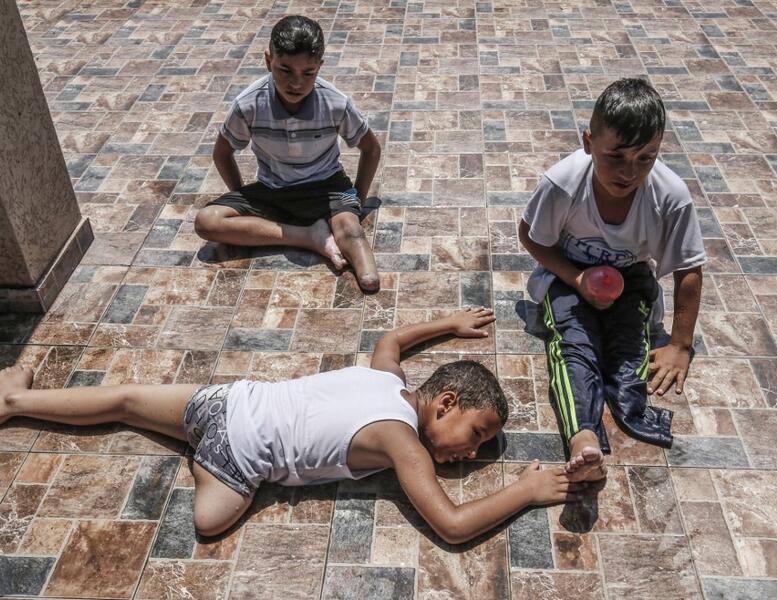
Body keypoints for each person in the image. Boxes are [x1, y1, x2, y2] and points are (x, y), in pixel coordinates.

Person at [0, 308, 587, 543]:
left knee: (127, 400)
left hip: (228, 398)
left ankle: (16, 402)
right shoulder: (401, 440)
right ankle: (204, 462)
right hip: (236, 455)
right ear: (445, 403)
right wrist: (525, 491)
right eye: (478, 435)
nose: (471, 455)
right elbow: (453, 526)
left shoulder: (387, 378)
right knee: (209, 523)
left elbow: (390, 341)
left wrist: (446, 324)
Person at [517, 78, 706, 482]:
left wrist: (679, 345)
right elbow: (530, 236)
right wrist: (576, 277)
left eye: (645, 157)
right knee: (574, 343)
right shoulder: (563, 184)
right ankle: (582, 434)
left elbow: (689, 268)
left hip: (632, 278)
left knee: (625, 349)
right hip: (566, 274)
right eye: (615, 156)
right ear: (588, 142)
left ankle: (628, 408)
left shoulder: (670, 196)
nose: (629, 171)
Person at [193, 15, 382, 293]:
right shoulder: (249, 104)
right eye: (285, 70)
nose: (297, 82)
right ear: (269, 61)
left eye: (309, 73)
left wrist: (357, 200)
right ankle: (309, 237)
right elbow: (222, 153)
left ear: (320, 67)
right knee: (206, 222)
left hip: (328, 188)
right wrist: (243, 197)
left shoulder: (334, 102)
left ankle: (308, 231)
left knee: (362, 262)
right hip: (273, 189)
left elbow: (371, 148)